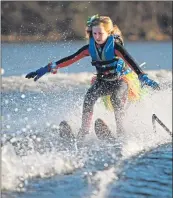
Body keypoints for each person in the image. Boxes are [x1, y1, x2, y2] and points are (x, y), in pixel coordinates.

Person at [25, 14, 160, 139]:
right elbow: (70, 59)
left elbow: (131, 62)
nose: (97, 36)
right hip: (103, 81)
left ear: (108, 33)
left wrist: (142, 76)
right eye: (94, 33)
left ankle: (121, 132)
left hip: (121, 81)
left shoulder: (116, 47)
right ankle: (83, 133)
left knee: (116, 98)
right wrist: (47, 68)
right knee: (89, 97)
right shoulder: (89, 48)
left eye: (100, 33)